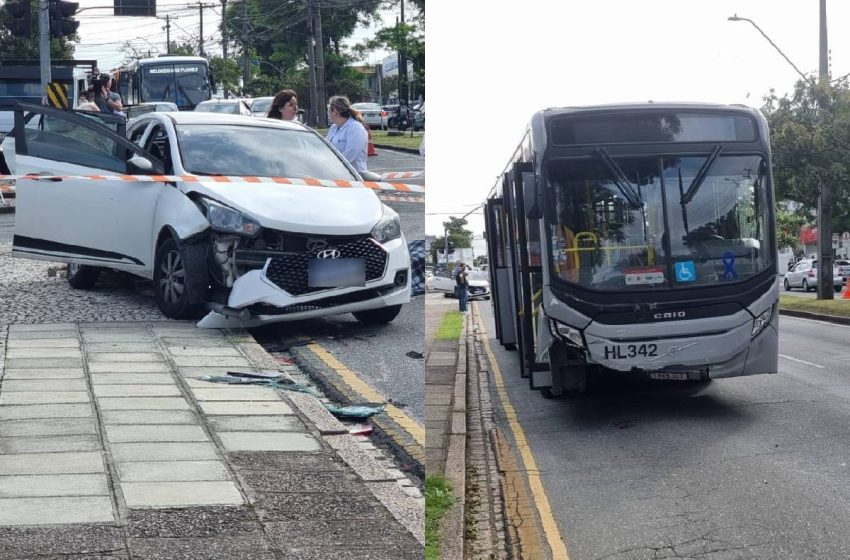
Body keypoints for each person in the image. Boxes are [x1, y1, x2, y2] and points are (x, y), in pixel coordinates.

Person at [326, 95, 368, 172]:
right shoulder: (333, 128)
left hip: (354, 175)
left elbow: (351, 154)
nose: (328, 113)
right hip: (335, 173)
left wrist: (332, 166)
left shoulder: (355, 128)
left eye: (329, 110)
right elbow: (326, 149)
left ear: (335, 112)